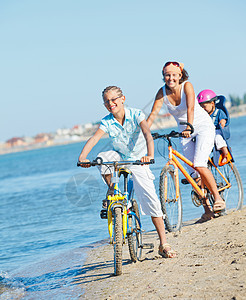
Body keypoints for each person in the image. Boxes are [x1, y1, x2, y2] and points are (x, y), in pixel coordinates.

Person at [78, 85, 176, 258]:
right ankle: (112, 188)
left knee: (151, 200)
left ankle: (164, 243)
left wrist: (149, 155)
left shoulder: (136, 114)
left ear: (122, 99)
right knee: (102, 157)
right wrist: (83, 157)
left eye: (114, 99)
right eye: (107, 101)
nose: (111, 103)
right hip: (120, 157)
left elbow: (146, 132)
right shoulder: (107, 121)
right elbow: (94, 138)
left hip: (138, 159)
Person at [147, 61, 225, 223]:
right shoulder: (161, 93)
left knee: (199, 164)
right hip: (184, 131)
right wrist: (145, 132)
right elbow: (153, 114)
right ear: (163, 76)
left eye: (174, 75)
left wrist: (189, 126)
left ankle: (218, 198)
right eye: (167, 75)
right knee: (192, 173)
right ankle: (207, 210)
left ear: (180, 75)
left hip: (202, 127)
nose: (170, 78)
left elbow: (190, 108)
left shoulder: (187, 86)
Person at [197, 89, 229, 164]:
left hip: (217, 131)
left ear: (212, 103)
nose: (203, 109)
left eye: (204, 107)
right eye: (201, 107)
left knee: (217, 138)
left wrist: (222, 121)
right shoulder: (203, 115)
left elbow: (224, 119)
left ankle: (225, 153)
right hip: (207, 133)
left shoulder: (219, 112)